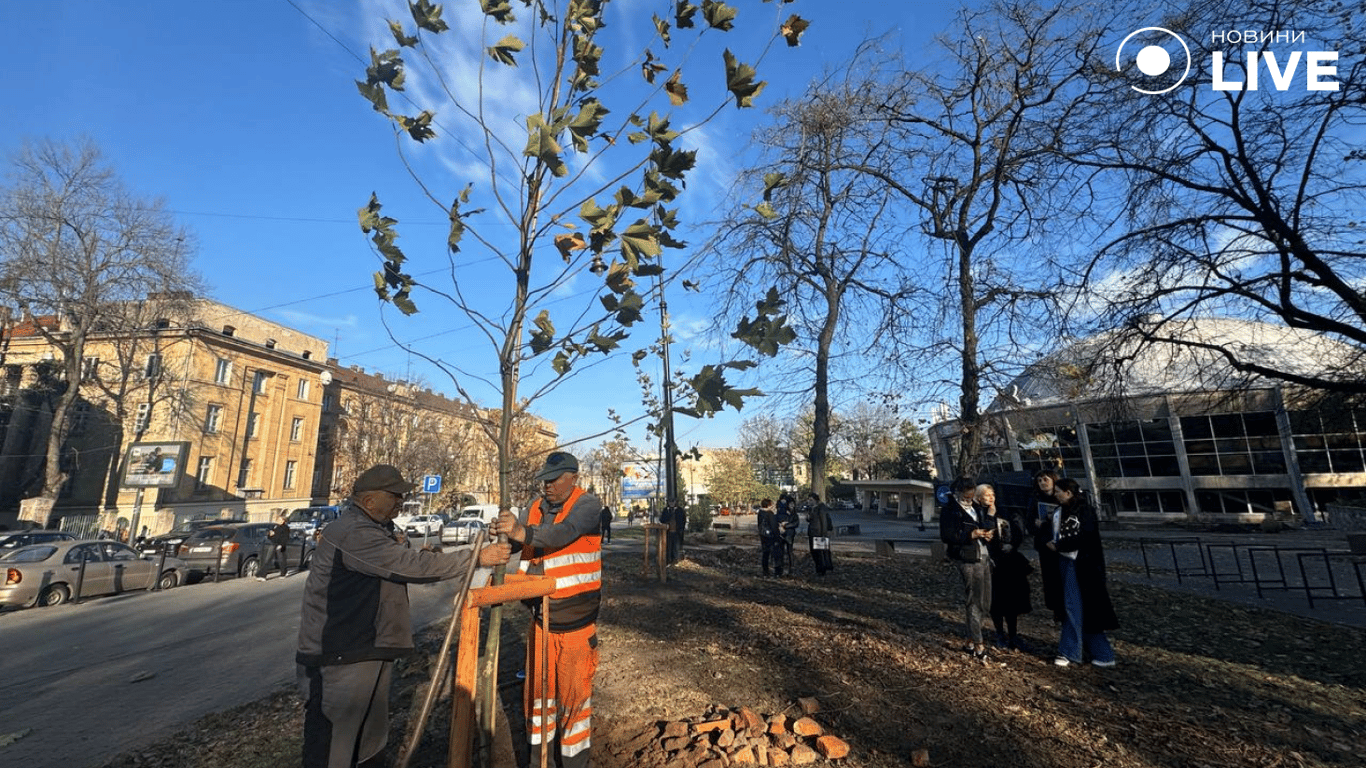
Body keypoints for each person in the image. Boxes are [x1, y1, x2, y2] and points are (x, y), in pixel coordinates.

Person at [296, 464, 510, 768]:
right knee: (334, 747)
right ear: (369, 500)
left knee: (368, 743)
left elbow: (410, 558)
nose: (401, 501)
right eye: (394, 495)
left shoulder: (376, 529)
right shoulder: (353, 532)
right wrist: (476, 557)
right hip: (338, 657)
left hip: (364, 650)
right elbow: (409, 566)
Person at [493, 451, 603, 768]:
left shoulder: (588, 505)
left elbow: (561, 534)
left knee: (574, 703)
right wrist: (503, 535)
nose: (548, 487)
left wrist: (520, 531)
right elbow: (521, 543)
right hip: (540, 622)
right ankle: (540, 762)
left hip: (576, 628)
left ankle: (574, 762)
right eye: (544, 481)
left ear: (573, 478)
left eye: (554, 481)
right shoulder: (535, 508)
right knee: (539, 702)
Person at [1048, 477, 1119, 667]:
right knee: (1082, 608)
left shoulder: (1085, 511)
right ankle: (1102, 653)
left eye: (1058, 492)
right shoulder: (1058, 512)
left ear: (1068, 493)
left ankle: (1070, 652)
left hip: (1081, 564)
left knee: (1076, 607)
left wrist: (1059, 545)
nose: (1055, 495)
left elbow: (1086, 538)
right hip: (1069, 561)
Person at [939, 477, 995, 660]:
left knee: (985, 601)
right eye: (966, 495)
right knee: (975, 601)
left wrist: (989, 525)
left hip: (983, 555)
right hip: (967, 558)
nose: (969, 498)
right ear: (958, 493)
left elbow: (986, 525)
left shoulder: (977, 508)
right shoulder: (950, 511)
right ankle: (979, 644)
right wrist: (970, 534)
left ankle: (971, 640)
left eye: (972, 495)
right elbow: (947, 535)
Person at [976, 484, 1032, 650]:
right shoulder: (978, 513)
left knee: (1012, 600)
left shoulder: (1004, 511)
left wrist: (1012, 545)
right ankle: (999, 633)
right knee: (996, 601)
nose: (991, 498)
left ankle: (1013, 634)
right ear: (979, 498)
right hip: (992, 562)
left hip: (1009, 561)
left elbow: (1016, 531)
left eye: (992, 494)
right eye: (986, 495)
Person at [1025, 469, 1066, 623]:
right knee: (1051, 579)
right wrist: (1038, 527)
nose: (1042, 482)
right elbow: (1029, 524)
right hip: (1045, 546)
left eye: (1045, 479)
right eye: (1040, 480)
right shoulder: (1035, 499)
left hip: (1063, 545)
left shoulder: (1062, 497)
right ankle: (1057, 610)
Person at [804, 493, 834, 576]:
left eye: (811, 500)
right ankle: (818, 568)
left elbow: (824, 521)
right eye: (808, 500)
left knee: (821, 553)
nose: (809, 501)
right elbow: (811, 520)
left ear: (815, 500)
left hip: (819, 533)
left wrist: (824, 533)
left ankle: (822, 570)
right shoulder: (811, 509)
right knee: (814, 552)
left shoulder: (821, 508)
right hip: (812, 533)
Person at [259, 511, 292, 581]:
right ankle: (262, 575)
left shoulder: (285, 528)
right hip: (273, 544)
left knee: (281, 560)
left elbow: (285, 538)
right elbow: (272, 536)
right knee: (268, 559)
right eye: (278, 519)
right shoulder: (276, 526)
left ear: (283, 521)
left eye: (280, 520)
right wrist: (270, 534)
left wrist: (281, 545)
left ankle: (283, 573)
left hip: (280, 545)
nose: (278, 521)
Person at [756, 498, 781, 577]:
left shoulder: (760, 513)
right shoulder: (770, 514)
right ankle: (777, 572)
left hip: (763, 536)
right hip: (771, 537)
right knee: (775, 555)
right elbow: (774, 527)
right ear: (769, 505)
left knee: (765, 554)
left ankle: (765, 572)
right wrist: (778, 536)